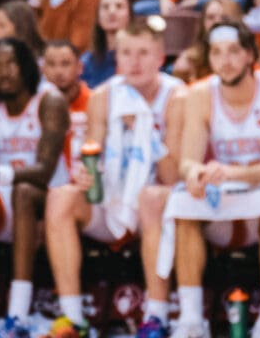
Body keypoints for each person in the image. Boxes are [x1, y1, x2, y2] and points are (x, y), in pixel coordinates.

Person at [165, 21, 260, 338]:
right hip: (225, 201)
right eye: (216, 53)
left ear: (250, 55)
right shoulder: (200, 94)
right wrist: (195, 174)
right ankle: (189, 320)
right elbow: (187, 160)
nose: (225, 61)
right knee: (183, 202)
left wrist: (232, 173)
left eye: (233, 52)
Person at [45, 21, 184, 334]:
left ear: (160, 57)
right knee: (61, 197)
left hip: (159, 206)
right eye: (126, 53)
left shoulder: (178, 96)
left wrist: (145, 134)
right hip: (113, 199)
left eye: (143, 53)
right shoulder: (105, 96)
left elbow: (173, 176)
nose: (134, 61)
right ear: (116, 59)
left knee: (151, 198)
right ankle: (73, 320)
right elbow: (93, 155)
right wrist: (85, 174)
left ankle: (156, 317)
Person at [0, 37, 70, 331]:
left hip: (51, 195)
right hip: (5, 196)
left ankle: (17, 312)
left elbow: (45, 171)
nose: (4, 72)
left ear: (26, 66)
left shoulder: (50, 101)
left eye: (11, 63)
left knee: (23, 193)